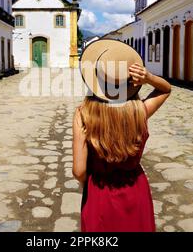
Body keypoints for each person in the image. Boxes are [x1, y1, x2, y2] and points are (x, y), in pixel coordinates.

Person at [73, 39, 171, 232]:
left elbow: (78, 171)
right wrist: (148, 77)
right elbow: (165, 89)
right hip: (135, 190)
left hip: (99, 192)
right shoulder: (141, 111)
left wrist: (90, 183)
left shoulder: (83, 114)